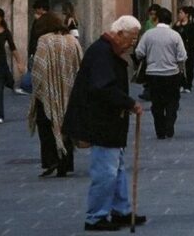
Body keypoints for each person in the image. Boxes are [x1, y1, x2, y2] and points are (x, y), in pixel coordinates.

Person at [63, 15, 146, 232]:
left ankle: (121, 211)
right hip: (100, 122)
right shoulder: (101, 53)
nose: (132, 44)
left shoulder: (107, 50)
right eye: (131, 39)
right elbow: (102, 87)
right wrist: (129, 103)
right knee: (106, 171)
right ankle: (95, 217)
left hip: (109, 122)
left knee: (116, 167)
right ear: (118, 34)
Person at [28, 12, 82, 177]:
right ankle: (65, 162)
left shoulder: (44, 41)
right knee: (66, 125)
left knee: (46, 124)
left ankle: (51, 159)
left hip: (48, 92)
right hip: (69, 90)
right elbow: (80, 63)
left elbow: (38, 68)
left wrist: (38, 89)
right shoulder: (72, 41)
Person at [136, 7, 187, 138]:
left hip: (153, 74)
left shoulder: (148, 34)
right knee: (172, 102)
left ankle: (160, 131)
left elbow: (139, 52)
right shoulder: (175, 35)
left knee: (156, 103)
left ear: (156, 19)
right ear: (170, 21)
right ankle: (169, 126)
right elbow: (182, 56)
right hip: (172, 74)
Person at [173, 6, 194, 92]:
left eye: (181, 13)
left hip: (189, 49)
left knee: (189, 68)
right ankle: (181, 84)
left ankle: (188, 85)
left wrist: (190, 46)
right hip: (178, 50)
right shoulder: (176, 25)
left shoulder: (192, 25)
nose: (179, 15)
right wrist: (176, 27)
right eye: (179, 13)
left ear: (186, 14)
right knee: (179, 68)